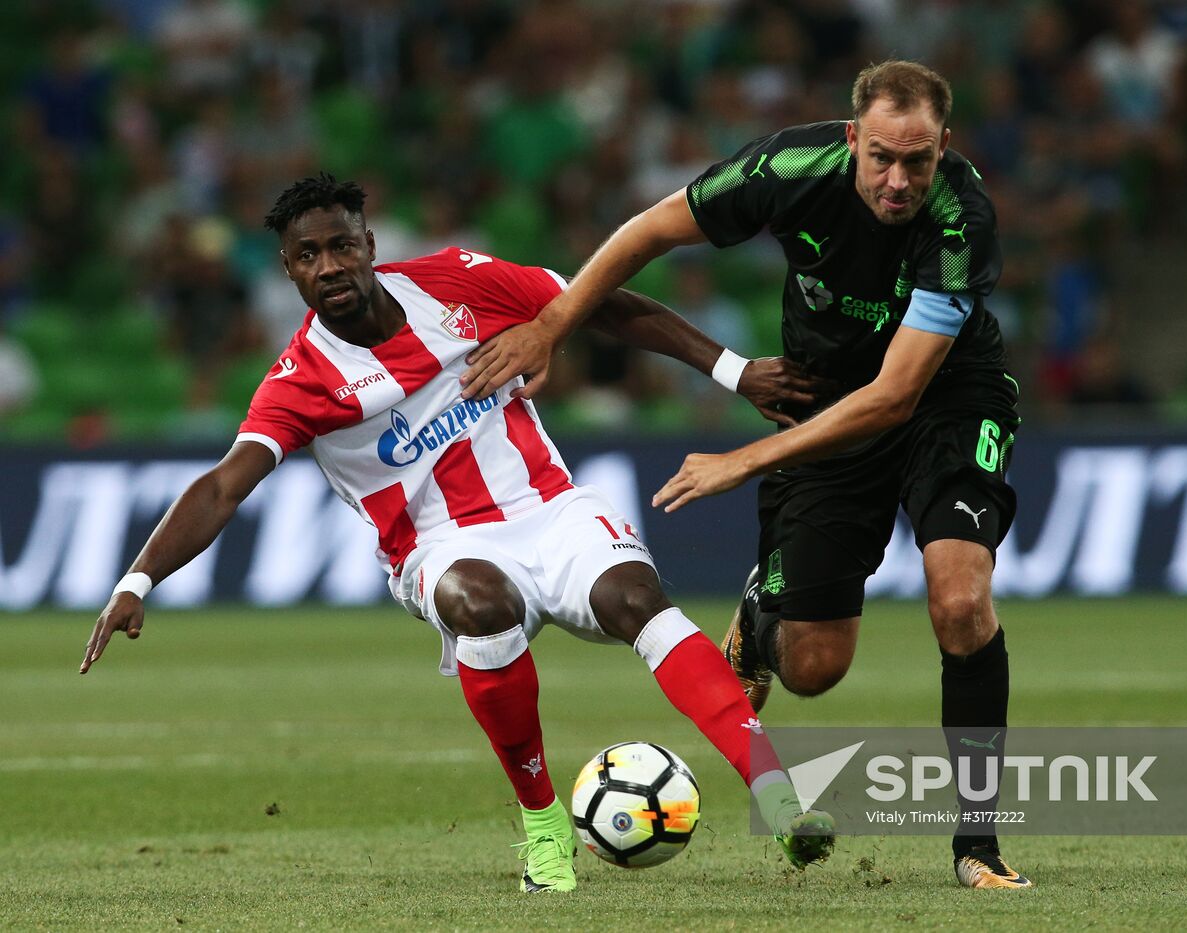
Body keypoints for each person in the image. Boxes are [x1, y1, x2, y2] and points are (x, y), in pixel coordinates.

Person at [79, 174, 835, 894]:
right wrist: (136, 580)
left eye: (341, 246)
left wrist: (733, 371)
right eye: (307, 256)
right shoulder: (302, 378)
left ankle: (775, 792)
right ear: (287, 271)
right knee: (481, 603)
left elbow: (594, 302)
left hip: (549, 505)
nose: (329, 266)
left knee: (636, 596)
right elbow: (222, 483)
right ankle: (544, 827)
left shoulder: (454, 279)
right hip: (439, 546)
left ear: (369, 243)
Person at [462, 60, 1030, 890]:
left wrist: (743, 458)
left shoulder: (962, 219)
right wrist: (552, 324)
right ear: (851, 139)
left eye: (918, 160)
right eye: (882, 157)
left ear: (944, 147)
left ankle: (976, 843)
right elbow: (646, 233)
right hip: (827, 400)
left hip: (948, 403)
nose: (899, 180)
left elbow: (895, 394)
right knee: (812, 667)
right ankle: (765, 611)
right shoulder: (787, 169)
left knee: (959, 599)